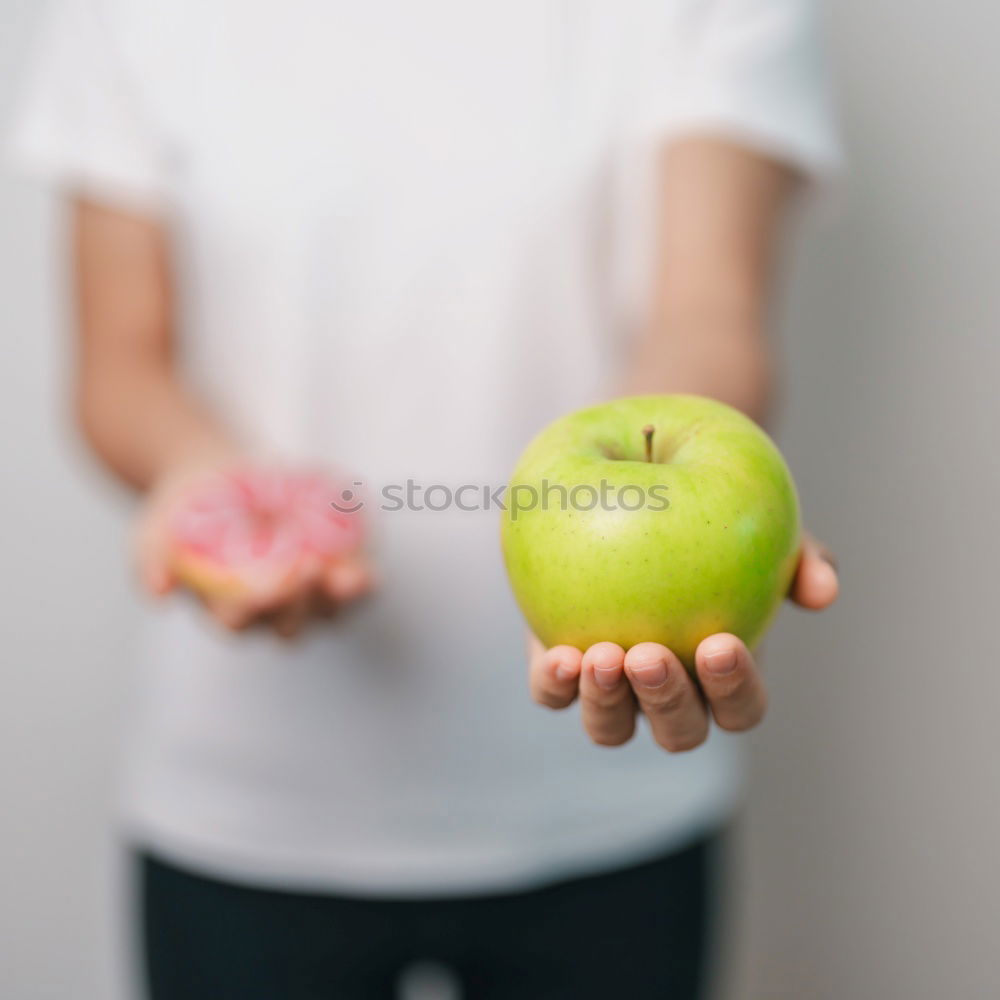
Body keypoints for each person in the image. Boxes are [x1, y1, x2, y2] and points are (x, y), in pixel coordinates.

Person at [10, 1, 841, 997]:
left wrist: (692, 508)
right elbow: (120, 367)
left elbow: (706, 313)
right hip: (247, 791)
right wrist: (208, 480)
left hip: (603, 797)